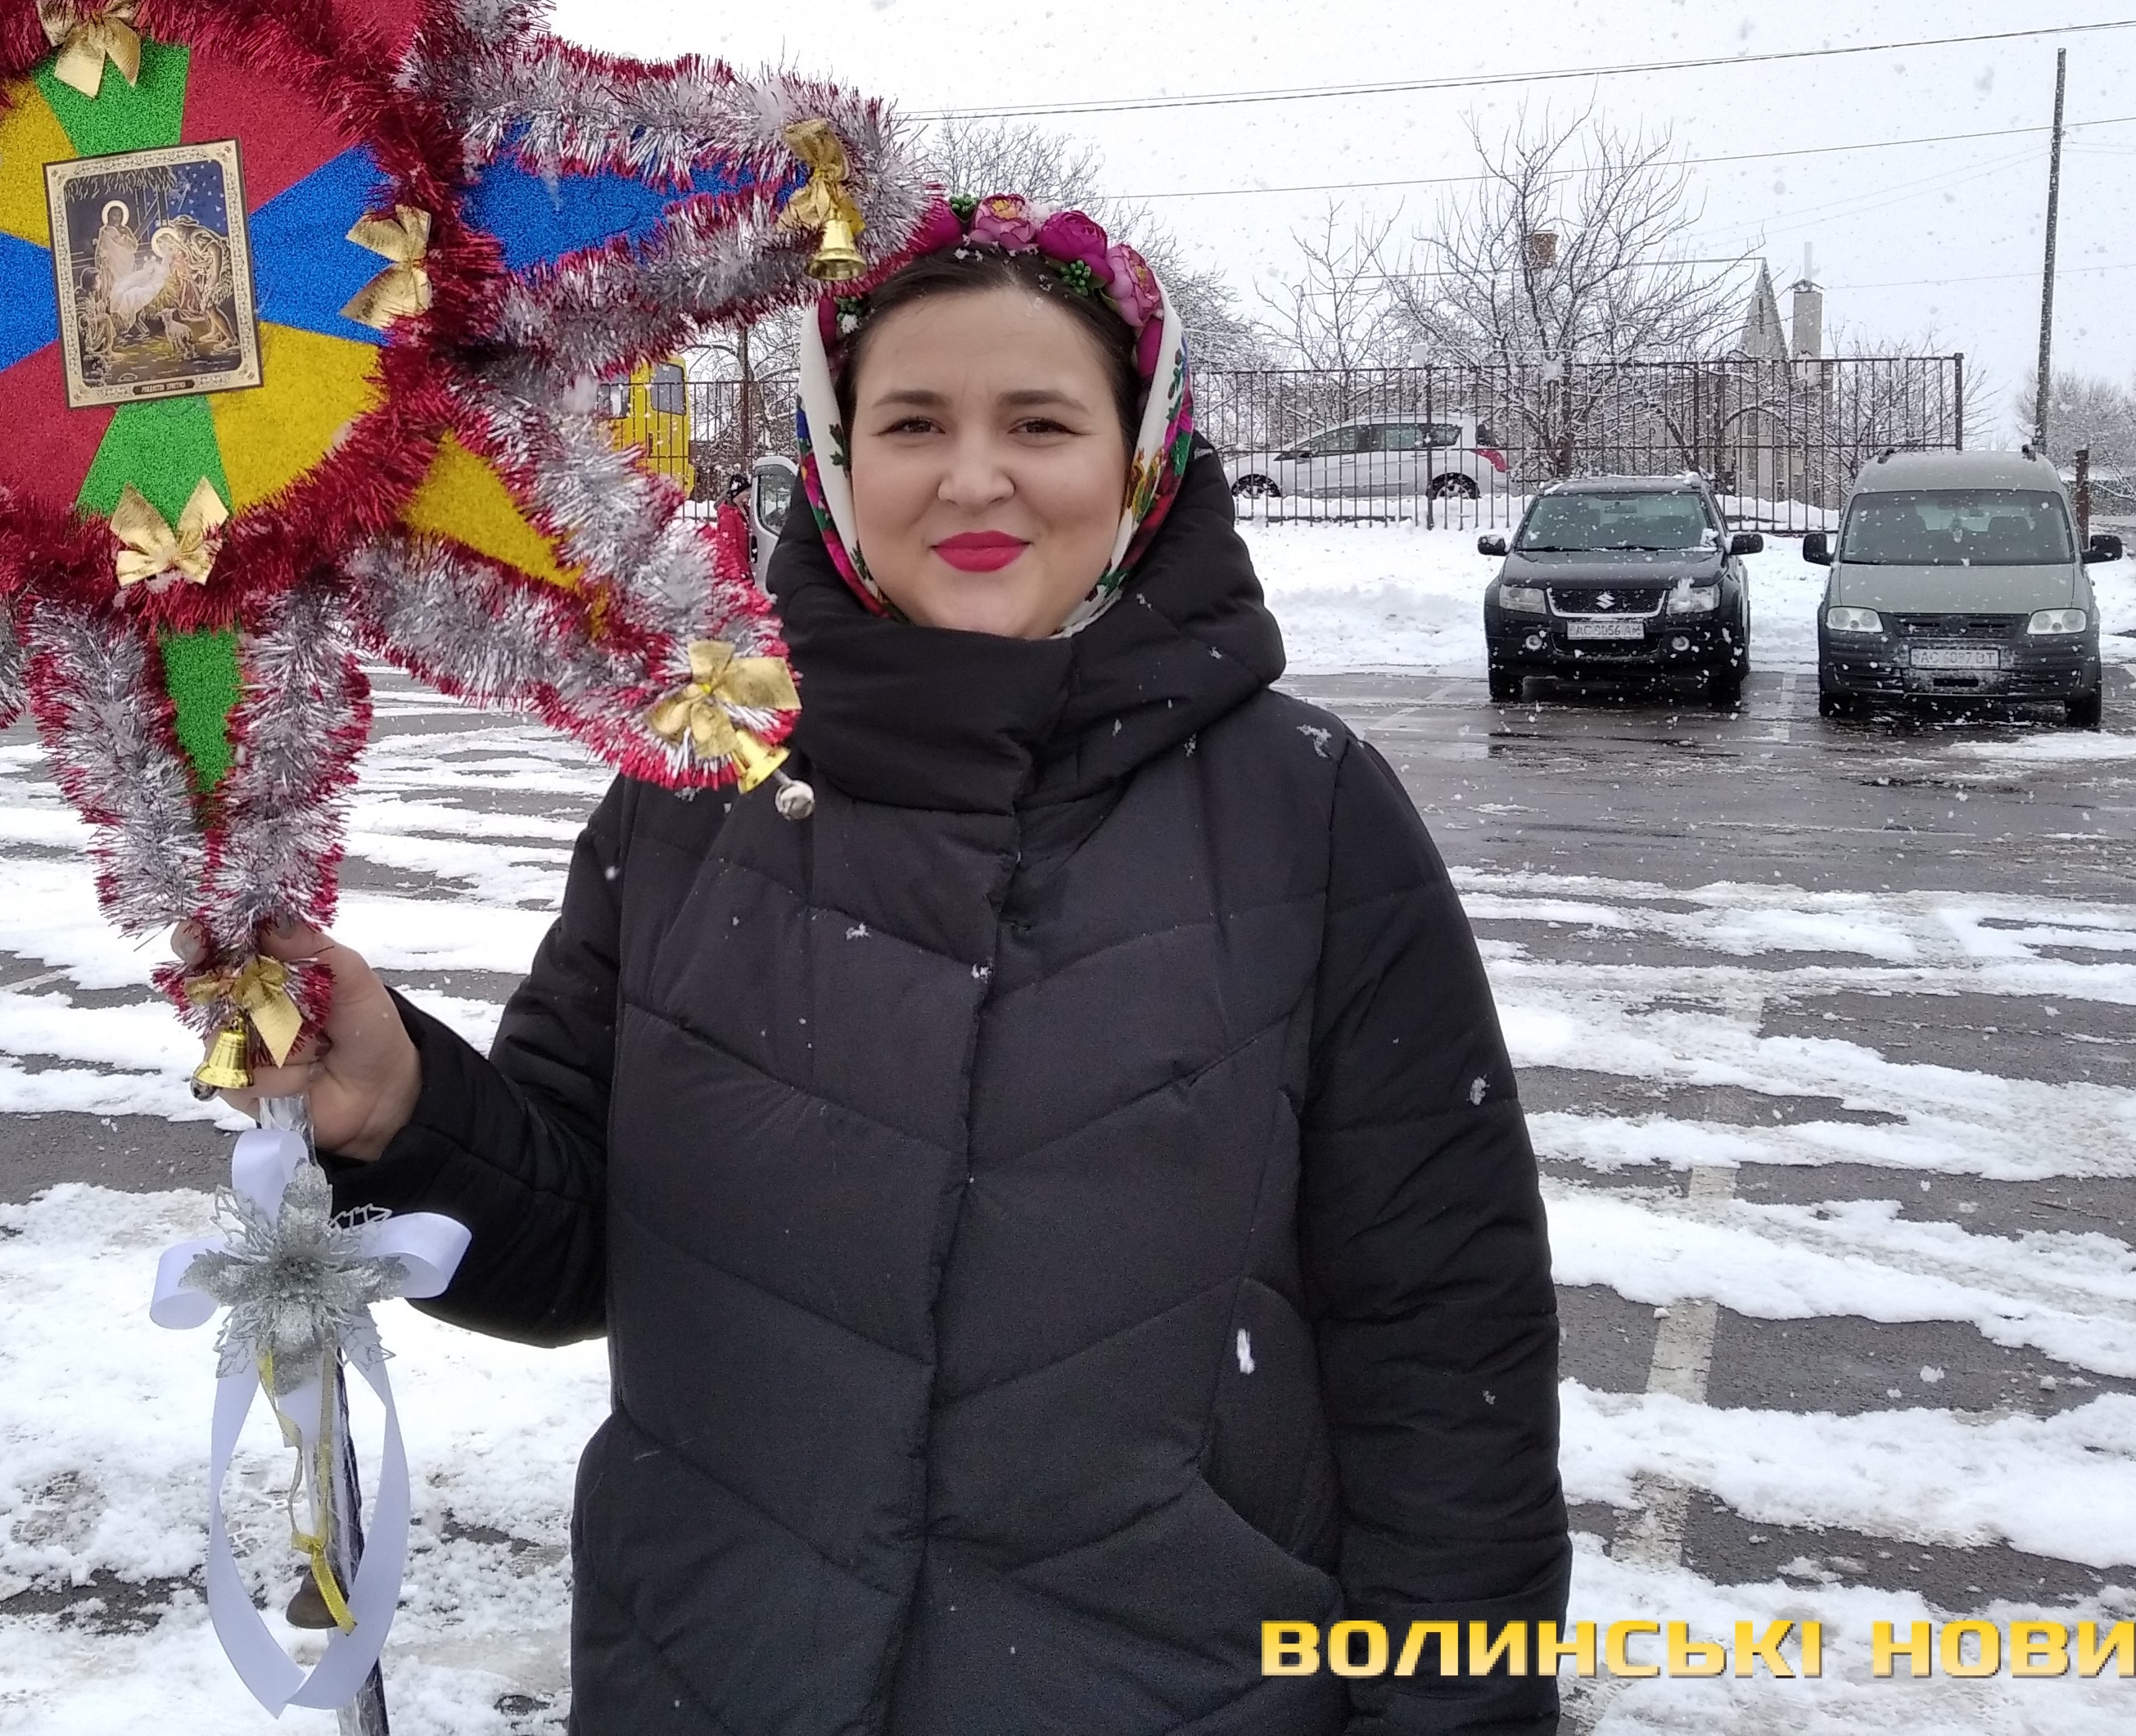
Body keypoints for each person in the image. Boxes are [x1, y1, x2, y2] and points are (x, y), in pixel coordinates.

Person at [237, 193, 1569, 1734]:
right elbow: (575, 1245)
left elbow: (1443, 1353)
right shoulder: (696, 794)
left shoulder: (1306, 813)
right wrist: (405, 1111)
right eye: (914, 422)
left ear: (1143, 457)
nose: (973, 476)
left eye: (1041, 423)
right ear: (834, 457)